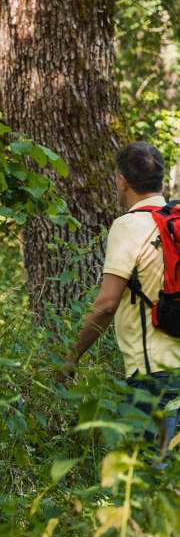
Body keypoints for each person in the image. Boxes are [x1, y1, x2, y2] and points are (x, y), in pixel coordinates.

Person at [61, 142, 179, 462]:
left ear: (121, 181)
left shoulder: (129, 226)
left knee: (146, 474)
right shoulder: (176, 222)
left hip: (153, 375)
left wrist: (71, 357)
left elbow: (106, 304)